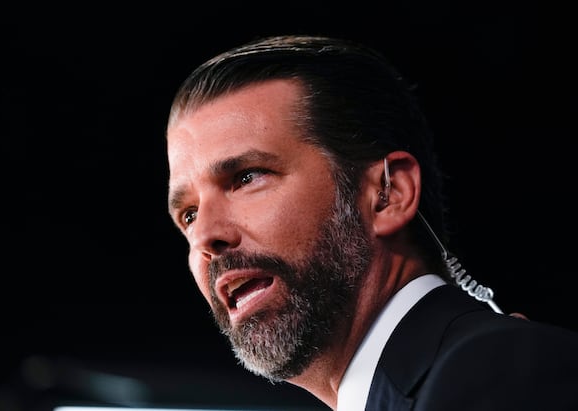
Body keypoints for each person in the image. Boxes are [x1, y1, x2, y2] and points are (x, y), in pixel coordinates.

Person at [165, 34, 578, 410]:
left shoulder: (495, 373)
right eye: (189, 214)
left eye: (247, 178)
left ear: (388, 194)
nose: (205, 236)